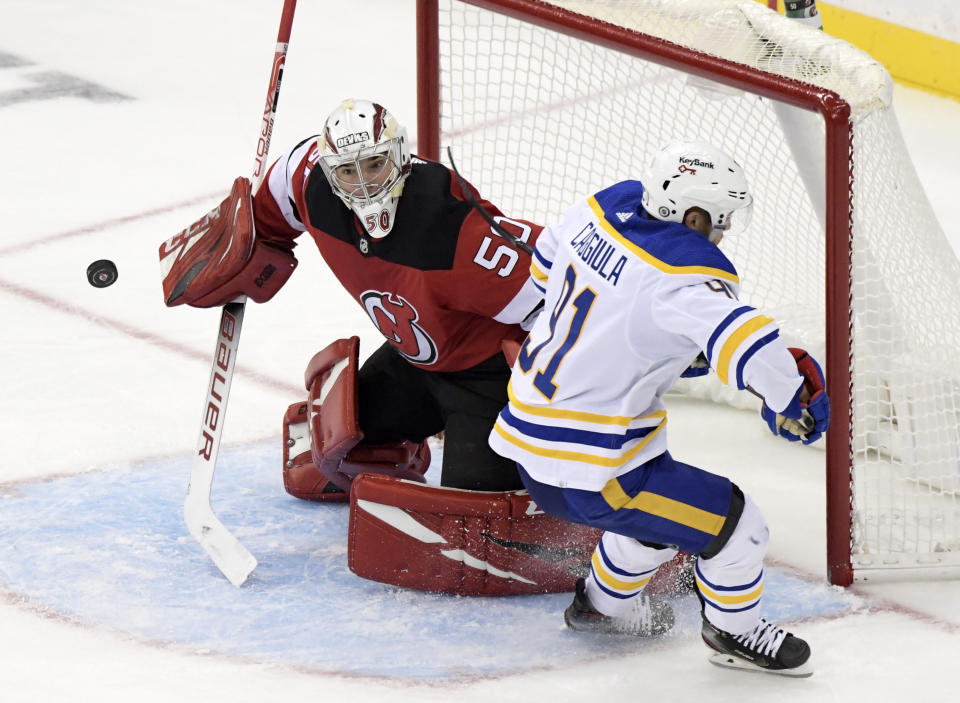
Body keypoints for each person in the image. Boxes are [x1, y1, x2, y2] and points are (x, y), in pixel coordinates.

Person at [488, 140, 830, 676]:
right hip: (595, 470)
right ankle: (733, 632)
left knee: (657, 513)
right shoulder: (684, 274)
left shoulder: (603, 207)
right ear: (692, 216)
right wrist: (791, 401)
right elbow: (754, 345)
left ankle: (599, 609)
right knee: (738, 526)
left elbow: (546, 264)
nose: (724, 231)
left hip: (530, 450)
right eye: (719, 219)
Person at [160, 98, 544, 499]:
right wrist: (246, 245)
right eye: (347, 171)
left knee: (477, 531)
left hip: (490, 382)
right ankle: (416, 445)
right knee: (325, 458)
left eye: (375, 164)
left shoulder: (457, 234)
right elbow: (273, 208)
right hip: (417, 363)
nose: (363, 184)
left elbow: (567, 300)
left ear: (400, 157)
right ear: (329, 171)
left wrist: (557, 411)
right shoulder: (309, 182)